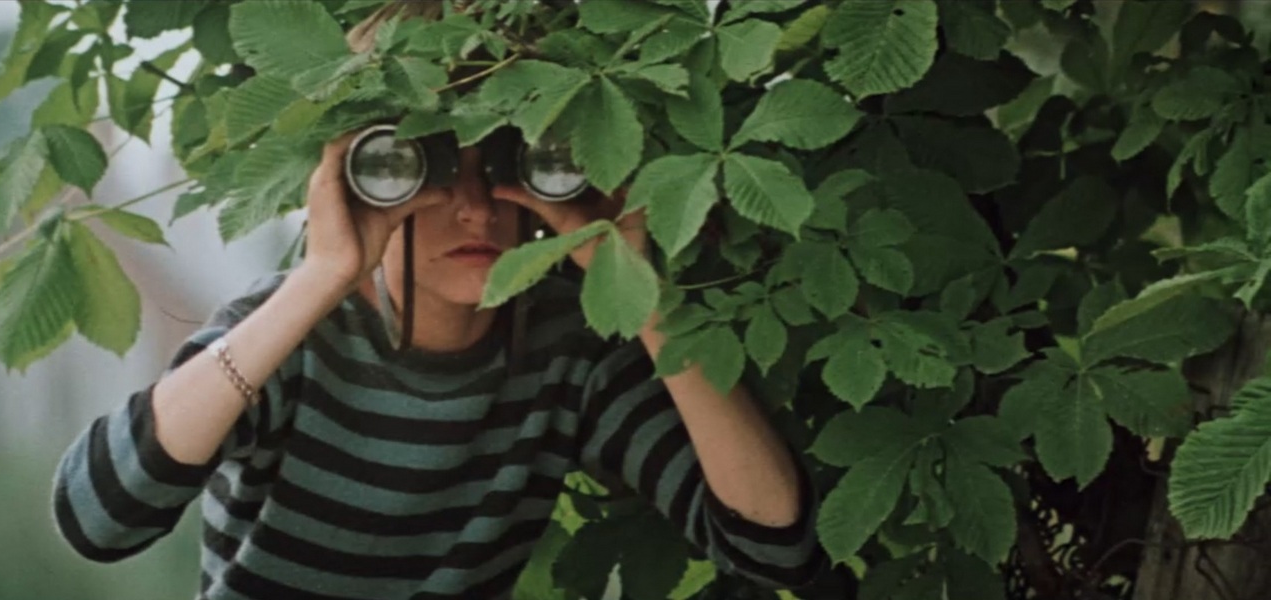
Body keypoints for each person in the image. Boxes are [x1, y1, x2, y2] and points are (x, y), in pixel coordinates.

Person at [50, 3, 822, 599]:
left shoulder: (566, 350)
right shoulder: (291, 334)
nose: (477, 209)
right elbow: (98, 518)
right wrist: (321, 276)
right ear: (363, 174)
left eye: (506, 163)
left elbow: (772, 546)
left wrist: (637, 285)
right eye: (427, 164)